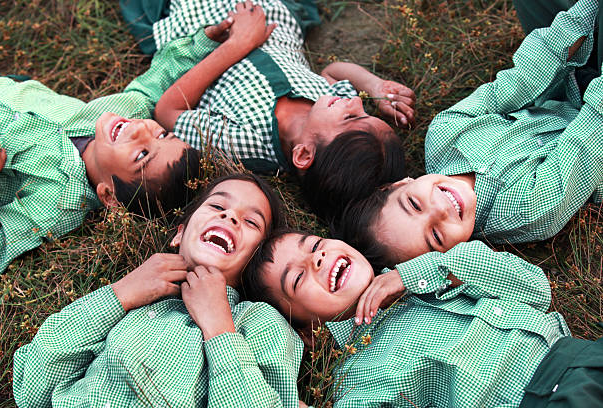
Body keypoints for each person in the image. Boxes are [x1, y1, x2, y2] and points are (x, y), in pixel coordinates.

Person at [337, 0, 603, 270]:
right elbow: (592, 131)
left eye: (414, 204)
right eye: (436, 236)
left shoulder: (444, 135)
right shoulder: (527, 210)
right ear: (452, 256)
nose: (440, 210)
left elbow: (516, 84)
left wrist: (585, 12)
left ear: (398, 184)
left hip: (571, 83)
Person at [13, 173, 304, 408]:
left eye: (251, 221)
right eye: (217, 207)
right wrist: (121, 293)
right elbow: (35, 388)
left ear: (254, 264)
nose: (229, 217)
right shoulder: (135, 300)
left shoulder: (260, 323)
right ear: (180, 233)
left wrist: (220, 329)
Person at [123, 0, 413, 221]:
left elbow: (168, 110)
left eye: (353, 117)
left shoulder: (248, 143)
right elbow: (333, 72)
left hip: (205, 24)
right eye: (367, 111)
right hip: (271, 12)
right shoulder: (328, 102)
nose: (358, 103)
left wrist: (239, 43)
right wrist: (376, 86)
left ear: (303, 154)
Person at [243, 230, 603, 407]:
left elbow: (535, 288)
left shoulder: (429, 272)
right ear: (307, 331)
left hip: (577, 356)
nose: (318, 260)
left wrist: (415, 273)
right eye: (299, 278)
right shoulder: (352, 375)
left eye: (316, 244)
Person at [0, 75, 201, 279]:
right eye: (162, 135)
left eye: (141, 155)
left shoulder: (59, 203)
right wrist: (209, 40)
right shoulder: (125, 112)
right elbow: (162, 76)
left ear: (109, 195)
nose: (141, 127)